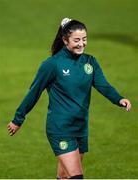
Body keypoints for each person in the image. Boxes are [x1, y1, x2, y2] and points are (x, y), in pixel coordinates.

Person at [7, 17, 131, 179]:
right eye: (77, 40)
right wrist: (18, 119)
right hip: (60, 128)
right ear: (65, 40)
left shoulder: (90, 62)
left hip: (80, 128)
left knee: (64, 177)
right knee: (76, 177)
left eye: (84, 39)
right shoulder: (53, 64)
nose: (82, 44)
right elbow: (34, 91)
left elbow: (103, 85)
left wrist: (119, 99)